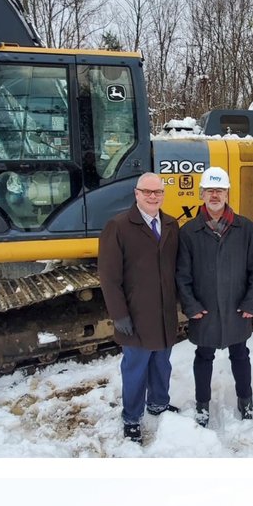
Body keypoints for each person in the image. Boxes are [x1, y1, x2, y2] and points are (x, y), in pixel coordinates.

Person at [176, 166, 253, 426]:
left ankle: (245, 400)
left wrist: (251, 301)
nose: (215, 195)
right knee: (204, 356)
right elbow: (182, 274)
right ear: (202, 194)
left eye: (220, 190)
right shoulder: (189, 232)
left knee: (241, 354)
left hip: (237, 307)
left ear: (227, 193)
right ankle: (202, 405)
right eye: (210, 190)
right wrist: (190, 305)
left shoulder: (245, 228)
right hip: (205, 309)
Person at [98, 172, 182, 442]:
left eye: (157, 192)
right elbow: (109, 277)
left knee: (161, 363)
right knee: (135, 368)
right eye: (147, 192)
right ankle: (132, 417)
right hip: (136, 313)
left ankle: (158, 403)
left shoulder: (170, 224)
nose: (153, 196)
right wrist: (119, 314)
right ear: (136, 194)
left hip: (164, 311)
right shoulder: (119, 226)